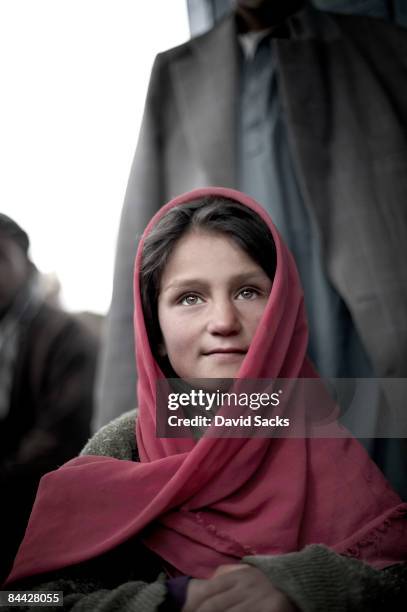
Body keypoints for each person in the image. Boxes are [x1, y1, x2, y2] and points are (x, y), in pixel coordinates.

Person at [4, 188, 407, 611]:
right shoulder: (125, 446)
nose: (224, 322)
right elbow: (24, 598)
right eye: (189, 298)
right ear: (154, 332)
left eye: (248, 291)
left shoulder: (331, 433)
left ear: (284, 311)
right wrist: (174, 599)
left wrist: (303, 585)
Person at [94, 1, 407, 501]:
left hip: (366, 343)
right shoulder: (177, 73)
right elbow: (142, 245)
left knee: (368, 500)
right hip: (233, 358)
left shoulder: (382, 51)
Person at [0, 214, 98, 582]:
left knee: (31, 600)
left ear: (24, 263)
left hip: (35, 514)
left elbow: (61, 438)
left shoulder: (66, 338)